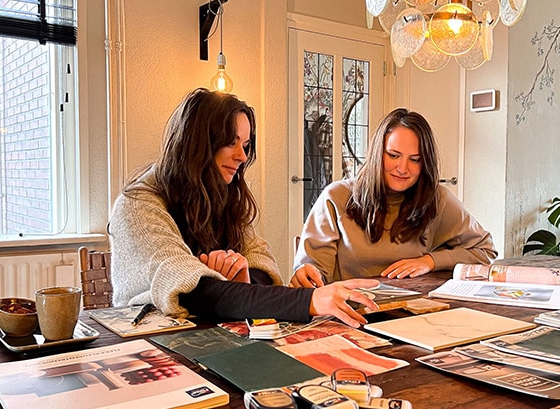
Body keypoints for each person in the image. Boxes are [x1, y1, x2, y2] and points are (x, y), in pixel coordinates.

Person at [108, 88, 377, 328]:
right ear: (197, 143)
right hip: (141, 339)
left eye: (245, 145)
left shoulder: (222, 193)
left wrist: (243, 277)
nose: (242, 156)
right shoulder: (137, 205)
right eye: (231, 142)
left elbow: (261, 263)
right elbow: (194, 292)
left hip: (206, 332)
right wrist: (309, 301)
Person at [289, 108, 497, 288]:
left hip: (413, 310)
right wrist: (306, 275)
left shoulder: (437, 199)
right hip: (349, 310)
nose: (402, 168)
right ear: (377, 153)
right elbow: (313, 274)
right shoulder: (336, 197)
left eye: (414, 159)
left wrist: (430, 261)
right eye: (393, 155)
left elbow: (485, 251)